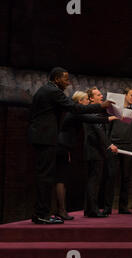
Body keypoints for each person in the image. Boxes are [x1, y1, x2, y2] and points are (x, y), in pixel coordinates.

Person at [28, 67, 112, 224]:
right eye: (65, 79)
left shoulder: (46, 90)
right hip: (45, 138)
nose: (68, 82)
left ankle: (43, 212)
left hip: (43, 137)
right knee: (45, 177)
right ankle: (42, 214)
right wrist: (101, 106)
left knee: (46, 177)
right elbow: (75, 108)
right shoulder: (53, 91)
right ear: (57, 78)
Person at [55, 91, 117, 220]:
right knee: (61, 179)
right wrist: (110, 117)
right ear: (80, 102)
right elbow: (93, 120)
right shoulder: (75, 112)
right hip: (63, 147)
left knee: (63, 179)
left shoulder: (76, 113)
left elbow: (92, 118)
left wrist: (111, 118)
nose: (88, 102)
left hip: (65, 147)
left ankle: (64, 210)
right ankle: (62, 211)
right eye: (86, 100)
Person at [103, 88, 132, 215]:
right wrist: (109, 144)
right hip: (114, 146)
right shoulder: (114, 109)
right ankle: (107, 207)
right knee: (111, 177)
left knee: (126, 178)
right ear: (124, 96)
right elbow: (107, 128)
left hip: (128, 147)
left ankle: (123, 207)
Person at [83, 87, 118, 218]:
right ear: (91, 98)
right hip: (94, 151)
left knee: (92, 180)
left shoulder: (95, 111)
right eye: (98, 95)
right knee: (94, 181)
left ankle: (89, 209)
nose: (101, 96)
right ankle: (93, 210)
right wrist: (109, 145)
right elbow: (98, 131)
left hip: (93, 150)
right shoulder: (93, 111)